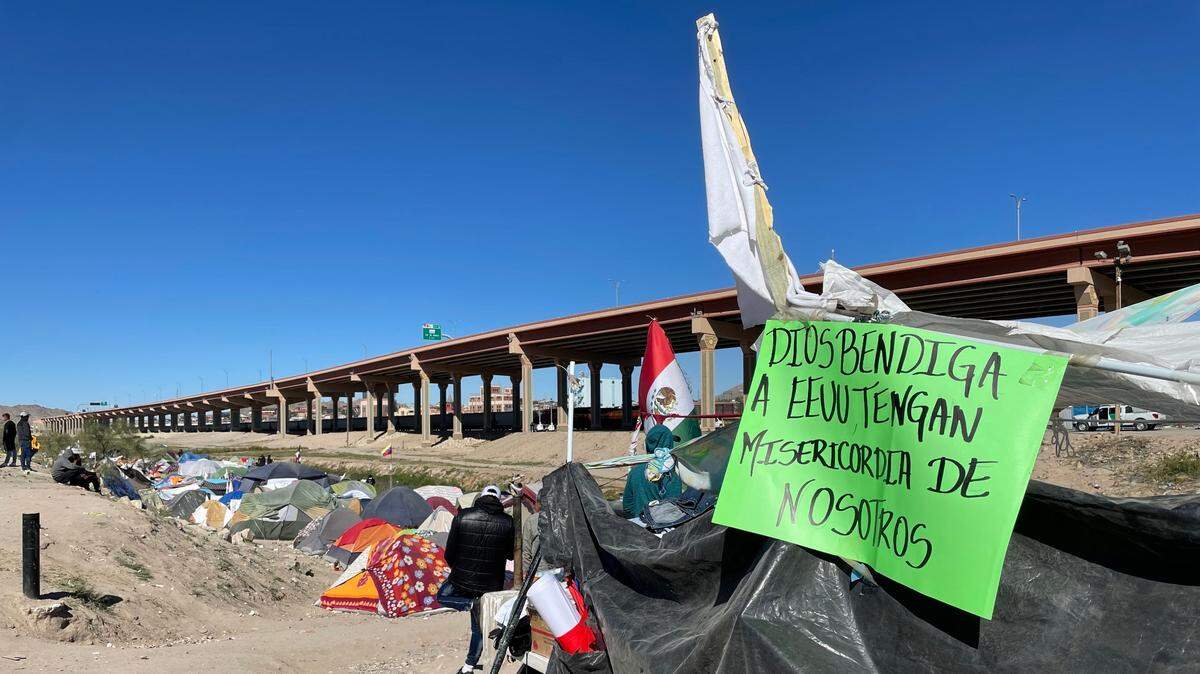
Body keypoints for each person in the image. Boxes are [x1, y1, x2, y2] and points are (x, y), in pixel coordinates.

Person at [439, 485, 515, 674]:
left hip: (462, 579)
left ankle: (469, 604)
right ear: (499, 500)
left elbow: (449, 553)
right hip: (490, 583)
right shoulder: (507, 522)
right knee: (478, 628)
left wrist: (459, 569)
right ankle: (468, 666)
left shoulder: (462, 516)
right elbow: (510, 555)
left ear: (480, 497)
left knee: (441, 595)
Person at [622, 424, 684, 520]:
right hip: (661, 529)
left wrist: (637, 517)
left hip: (636, 528)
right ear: (668, 443)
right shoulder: (672, 474)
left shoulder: (634, 472)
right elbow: (674, 508)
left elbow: (627, 506)